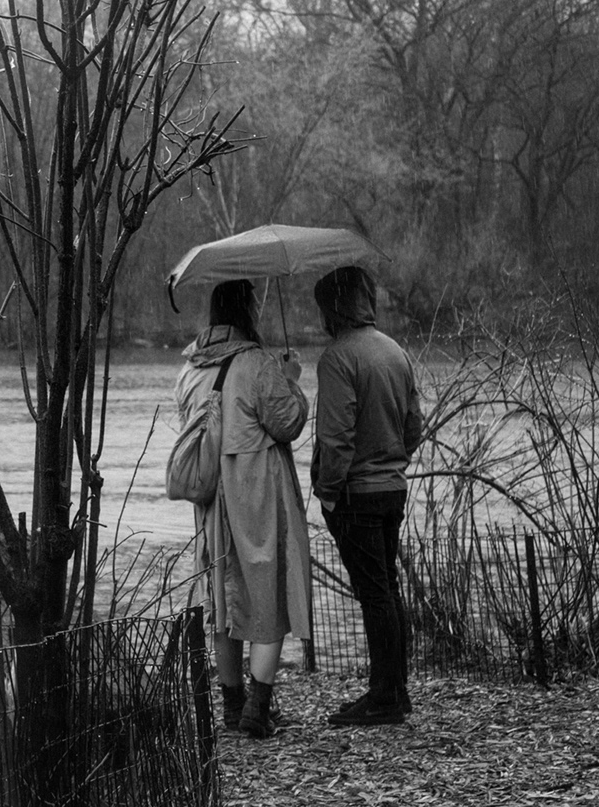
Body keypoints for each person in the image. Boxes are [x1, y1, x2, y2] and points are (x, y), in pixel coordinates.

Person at [174, 279, 312, 739]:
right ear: (247, 311)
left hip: (213, 504)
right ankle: (258, 705)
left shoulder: (190, 368)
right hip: (257, 493)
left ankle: (232, 708)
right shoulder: (257, 364)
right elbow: (287, 423)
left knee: (223, 603)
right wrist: (291, 381)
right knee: (267, 592)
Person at [311, 265, 424, 727]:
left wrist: (327, 491)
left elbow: (336, 438)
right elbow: (415, 424)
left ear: (332, 308)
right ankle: (394, 690)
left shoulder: (338, 358)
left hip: (355, 494)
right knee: (388, 590)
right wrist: (392, 458)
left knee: (374, 594)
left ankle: (383, 697)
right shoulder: (395, 352)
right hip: (392, 489)